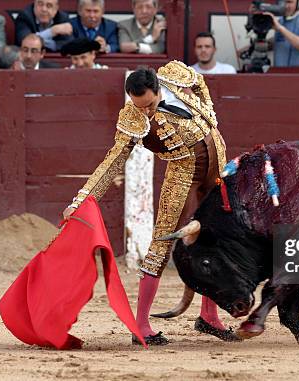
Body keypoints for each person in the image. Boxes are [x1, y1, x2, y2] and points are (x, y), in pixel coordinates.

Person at [62, 62, 238, 345]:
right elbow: (113, 162)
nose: (146, 112)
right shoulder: (133, 116)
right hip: (183, 177)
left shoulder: (177, 77)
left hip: (216, 171)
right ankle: (141, 325)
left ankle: (209, 317)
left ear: (159, 89)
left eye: (150, 104)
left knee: (214, 241)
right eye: (139, 106)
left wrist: (209, 113)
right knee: (160, 246)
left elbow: (200, 82)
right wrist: (81, 199)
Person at [263, 0, 299, 67]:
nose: (285, 5)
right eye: (282, 2)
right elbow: (282, 41)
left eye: (289, 2)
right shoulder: (281, 21)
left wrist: (280, 28)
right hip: (279, 75)